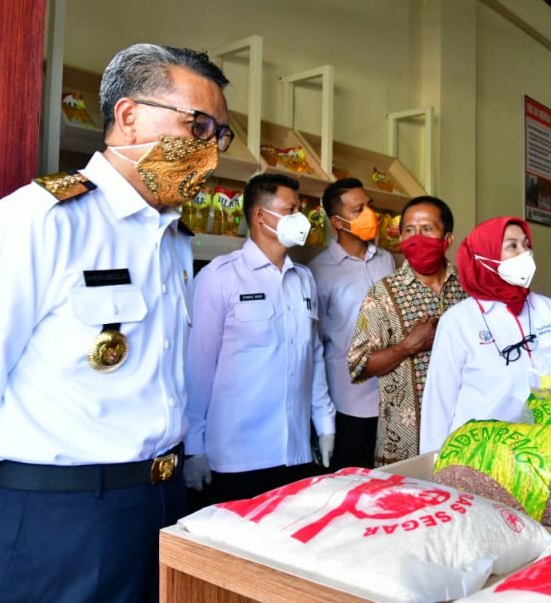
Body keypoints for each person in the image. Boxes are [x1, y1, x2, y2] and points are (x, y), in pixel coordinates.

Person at [0, 43, 233, 602]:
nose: (209, 150)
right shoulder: (39, 222)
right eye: (198, 126)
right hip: (54, 520)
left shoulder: (173, 241)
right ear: (129, 116)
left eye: (220, 136)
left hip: (158, 507)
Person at [183, 173, 335, 502]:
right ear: (261, 216)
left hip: (295, 451)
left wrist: (325, 423)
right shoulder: (220, 277)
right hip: (236, 456)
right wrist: (193, 447)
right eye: (291, 210)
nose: (301, 218)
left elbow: (314, 356)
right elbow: (198, 366)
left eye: (300, 209)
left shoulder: (304, 279)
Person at [419, 216, 551, 453]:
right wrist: (433, 461)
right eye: (512, 246)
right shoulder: (458, 320)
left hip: (546, 448)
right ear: (485, 256)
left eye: (526, 245)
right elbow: (439, 403)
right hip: (480, 453)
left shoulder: (550, 311)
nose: (525, 253)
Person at [348, 196, 466, 466]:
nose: (417, 238)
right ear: (400, 238)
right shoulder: (382, 294)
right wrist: (407, 346)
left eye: (427, 229)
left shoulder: (468, 289)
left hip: (464, 437)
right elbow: (358, 366)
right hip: (403, 446)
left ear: (447, 239)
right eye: (409, 230)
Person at [308, 178, 395, 469]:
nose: (370, 214)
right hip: (348, 401)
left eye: (370, 205)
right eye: (358, 210)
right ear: (337, 222)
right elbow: (316, 343)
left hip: (390, 399)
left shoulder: (386, 260)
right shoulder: (320, 271)